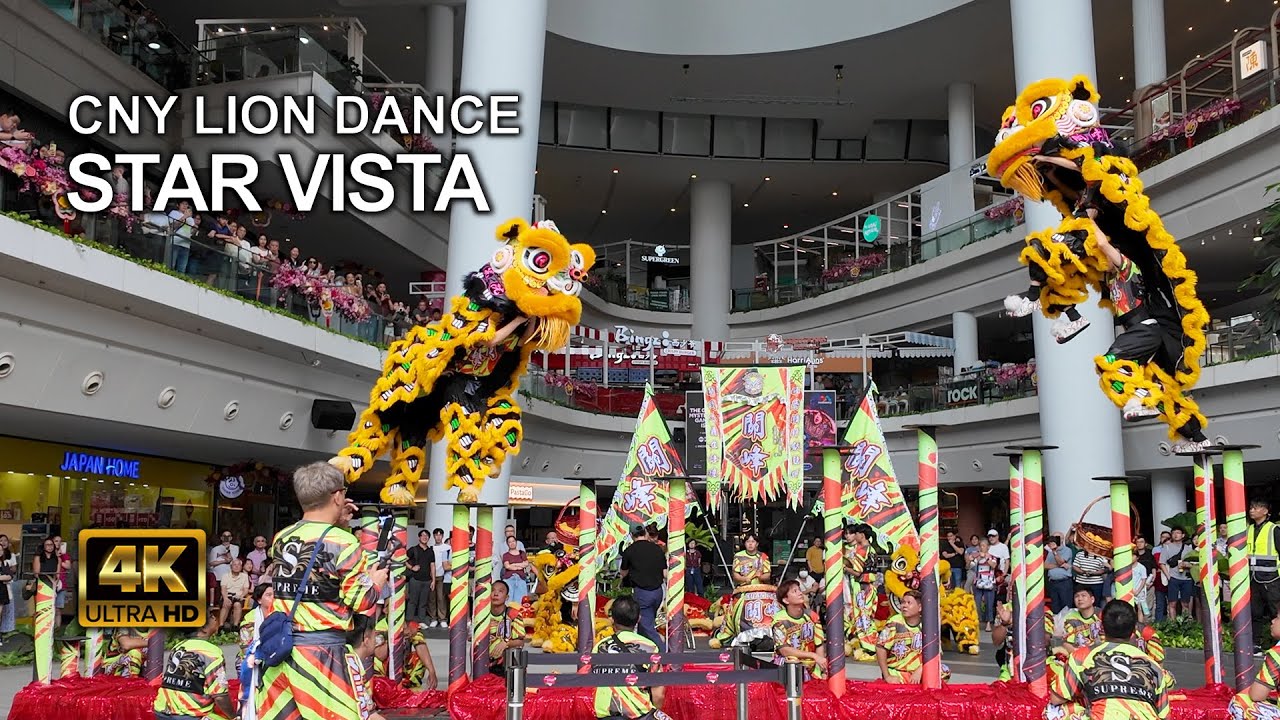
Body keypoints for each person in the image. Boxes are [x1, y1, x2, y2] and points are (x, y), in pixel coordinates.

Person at [257, 462, 388, 720]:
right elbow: (362, 601)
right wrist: (376, 582)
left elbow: (318, 553)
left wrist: (337, 522)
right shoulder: (345, 543)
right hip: (322, 658)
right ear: (338, 496)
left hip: (281, 653)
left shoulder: (282, 537)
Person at [1084, 216, 1210, 451]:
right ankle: (1195, 436)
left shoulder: (1126, 268)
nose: (1101, 260)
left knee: (1111, 361)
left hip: (1146, 329)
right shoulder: (1110, 279)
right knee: (1109, 374)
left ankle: (1142, 396)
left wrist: (1084, 219)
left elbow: (1101, 244)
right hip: (1140, 334)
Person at [1050, 600, 1172, 720]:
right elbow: (1164, 715)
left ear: (1102, 627)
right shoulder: (1153, 665)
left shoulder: (1082, 656)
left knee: (1053, 711)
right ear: (1134, 631)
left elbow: (1056, 699)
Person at [591, 595, 669, 720]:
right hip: (637, 714)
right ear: (638, 619)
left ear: (612, 619)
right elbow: (658, 694)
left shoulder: (599, 647)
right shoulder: (650, 647)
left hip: (605, 715)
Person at [154, 618, 233, 720]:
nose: (215, 618)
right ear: (203, 628)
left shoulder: (178, 647)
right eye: (212, 616)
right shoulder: (211, 652)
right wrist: (234, 717)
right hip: (190, 715)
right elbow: (220, 696)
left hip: (161, 711)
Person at [876, 589, 948, 684]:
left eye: (909, 603)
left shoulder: (928, 624)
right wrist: (887, 676)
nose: (904, 606)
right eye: (903, 602)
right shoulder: (894, 622)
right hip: (898, 672)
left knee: (944, 671)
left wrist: (921, 669)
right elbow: (880, 647)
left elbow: (936, 652)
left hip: (921, 671)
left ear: (920, 607)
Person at [620, 524, 667, 650]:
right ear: (645, 533)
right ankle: (643, 650)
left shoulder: (629, 551)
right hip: (658, 592)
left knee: (647, 625)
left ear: (631, 536)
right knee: (644, 623)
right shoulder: (657, 549)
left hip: (643, 592)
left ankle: (665, 654)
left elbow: (623, 573)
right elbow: (665, 573)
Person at [771, 579, 827, 680]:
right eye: (794, 591)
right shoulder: (780, 621)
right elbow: (784, 650)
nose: (800, 593)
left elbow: (819, 644)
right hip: (788, 665)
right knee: (792, 660)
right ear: (786, 600)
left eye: (799, 590)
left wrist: (822, 670)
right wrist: (813, 655)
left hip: (810, 662)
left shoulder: (812, 616)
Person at [1229, 614, 1280, 720]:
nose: (1273, 621)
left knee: (1240, 701)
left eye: (1278, 617)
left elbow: (1257, 695)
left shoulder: (1277, 654)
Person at [342, 614, 385, 720]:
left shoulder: (348, 658)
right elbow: (366, 714)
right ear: (366, 641)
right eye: (375, 636)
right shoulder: (352, 665)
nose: (377, 640)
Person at [1251, 499, 1280, 651]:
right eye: (1251, 508)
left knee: (1275, 612)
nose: (1252, 510)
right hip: (1254, 578)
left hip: (1272, 579)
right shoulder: (1249, 529)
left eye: (1256, 508)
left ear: (1265, 511)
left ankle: (1276, 645)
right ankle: (1255, 644)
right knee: (1255, 612)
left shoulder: (1273, 529)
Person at [487, 579, 527, 676]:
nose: (495, 594)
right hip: (484, 663)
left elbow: (521, 642)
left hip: (505, 664)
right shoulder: (482, 614)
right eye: (493, 590)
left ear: (507, 597)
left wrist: (506, 643)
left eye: (500, 591)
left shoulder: (514, 614)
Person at [1159, 527, 1194, 620]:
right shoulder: (1167, 547)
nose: (1175, 535)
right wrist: (1168, 576)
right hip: (1173, 578)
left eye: (1178, 533)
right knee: (1172, 603)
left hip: (1186, 578)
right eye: (1173, 533)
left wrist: (1187, 564)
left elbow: (1194, 564)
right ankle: (1173, 625)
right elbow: (1161, 563)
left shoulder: (1188, 549)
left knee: (1185, 603)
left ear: (1183, 535)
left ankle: (1185, 624)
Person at [406, 530, 435, 624]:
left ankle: (421, 621)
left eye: (426, 535)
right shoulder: (413, 549)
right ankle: (409, 621)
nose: (424, 537)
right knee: (412, 602)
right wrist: (411, 567)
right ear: (419, 537)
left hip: (427, 580)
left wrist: (433, 580)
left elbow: (432, 566)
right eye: (422, 535)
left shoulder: (431, 551)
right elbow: (402, 559)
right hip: (415, 579)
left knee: (423, 603)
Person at [218, 557, 251, 631]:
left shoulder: (245, 576)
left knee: (237, 605)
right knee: (227, 603)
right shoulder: (225, 576)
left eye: (238, 565)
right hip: (227, 595)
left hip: (238, 596)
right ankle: (221, 626)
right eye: (234, 565)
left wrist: (242, 595)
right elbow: (223, 589)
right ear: (231, 566)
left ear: (241, 566)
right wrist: (225, 598)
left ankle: (235, 626)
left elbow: (246, 589)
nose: (236, 566)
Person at [971, 539, 997, 632]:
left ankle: (989, 623)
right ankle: (976, 622)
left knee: (989, 603)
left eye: (984, 545)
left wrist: (986, 557)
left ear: (988, 547)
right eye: (980, 545)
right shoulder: (977, 557)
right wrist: (974, 558)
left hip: (989, 582)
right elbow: (970, 565)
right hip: (978, 582)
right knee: (976, 603)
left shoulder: (992, 557)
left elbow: (993, 565)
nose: (982, 547)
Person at [1046, 535, 1074, 613]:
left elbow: (1061, 561)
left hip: (1064, 582)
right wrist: (1060, 566)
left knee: (1066, 606)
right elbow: (1045, 566)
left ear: (1061, 540)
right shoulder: (1050, 552)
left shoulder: (1067, 550)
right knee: (1055, 606)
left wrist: (1055, 552)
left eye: (1057, 538)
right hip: (1052, 582)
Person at [429, 528, 450, 628]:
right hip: (431, 576)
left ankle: (442, 619)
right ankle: (433, 618)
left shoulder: (447, 547)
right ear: (433, 536)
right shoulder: (430, 548)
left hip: (442, 576)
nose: (438, 537)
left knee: (441, 598)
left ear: (442, 536)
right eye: (436, 535)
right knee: (432, 599)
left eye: (440, 535)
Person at [209, 531, 240, 599]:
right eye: (224, 536)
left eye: (228, 536)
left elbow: (232, 559)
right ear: (221, 538)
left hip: (230, 574)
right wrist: (223, 561)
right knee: (218, 594)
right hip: (218, 575)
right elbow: (211, 563)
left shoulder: (235, 548)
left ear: (231, 538)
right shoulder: (215, 549)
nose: (226, 538)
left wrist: (227, 551)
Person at [501, 535, 531, 603]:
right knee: (508, 600)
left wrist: (514, 565)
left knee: (520, 600)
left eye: (513, 541)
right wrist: (519, 566)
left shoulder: (522, 553)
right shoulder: (506, 555)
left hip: (520, 578)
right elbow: (507, 566)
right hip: (509, 578)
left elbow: (526, 564)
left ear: (516, 542)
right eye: (510, 542)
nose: (512, 543)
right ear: (507, 544)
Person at [0, 534, 15, 635]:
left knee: (0, 613)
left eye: (0, 550)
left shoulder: (4, 563)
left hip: (2, 590)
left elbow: (10, 575)